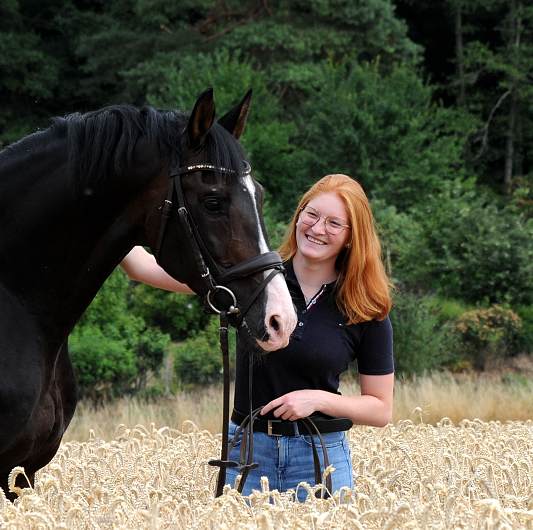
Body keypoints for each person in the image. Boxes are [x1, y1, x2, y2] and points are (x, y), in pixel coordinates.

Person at [120, 174, 394, 500]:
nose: (317, 228)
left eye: (334, 223)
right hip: (247, 453)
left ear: (351, 237)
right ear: (298, 216)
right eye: (311, 214)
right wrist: (108, 214)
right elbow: (142, 268)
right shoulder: (251, 279)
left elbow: (380, 409)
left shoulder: (365, 307)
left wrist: (317, 400)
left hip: (320, 459)